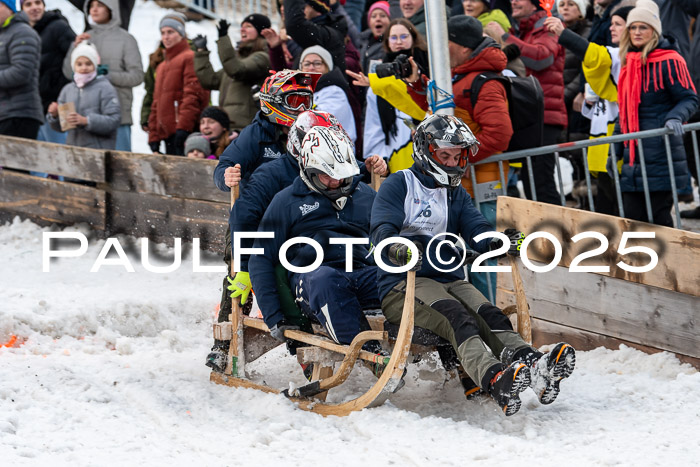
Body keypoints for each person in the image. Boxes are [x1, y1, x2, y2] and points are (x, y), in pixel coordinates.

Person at [370, 114, 576, 416]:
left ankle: (534, 364)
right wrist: (402, 248)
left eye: (457, 156)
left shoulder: (456, 193)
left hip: (447, 277)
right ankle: (494, 378)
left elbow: (476, 228)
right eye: (445, 155)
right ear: (426, 151)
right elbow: (381, 234)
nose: (452, 163)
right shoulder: (399, 184)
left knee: (487, 311)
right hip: (403, 284)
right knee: (457, 316)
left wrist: (497, 241)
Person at [206, 110, 388, 371]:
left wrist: (373, 168)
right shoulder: (271, 175)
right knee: (244, 281)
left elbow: (351, 172)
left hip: (338, 253)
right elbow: (244, 218)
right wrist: (244, 266)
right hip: (277, 245)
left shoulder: (336, 173)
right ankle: (223, 347)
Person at [403, 16, 512, 302]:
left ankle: (487, 313)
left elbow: (499, 134)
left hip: (484, 183)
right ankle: (474, 309)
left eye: (445, 40)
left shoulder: (484, 82)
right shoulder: (459, 75)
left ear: (461, 45)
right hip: (462, 182)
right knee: (464, 249)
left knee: (483, 249)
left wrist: (457, 158)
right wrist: (417, 85)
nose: (439, 47)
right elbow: (443, 115)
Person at [248, 125, 383, 354]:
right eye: (325, 176)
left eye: (340, 176)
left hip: (360, 273)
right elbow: (260, 257)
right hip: (313, 280)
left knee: (406, 273)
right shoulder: (286, 201)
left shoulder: (365, 195)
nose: (334, 182)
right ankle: (371, 353)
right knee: (326, 278)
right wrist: (274, 316)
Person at [545, 4, 634, 215]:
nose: (611, 28)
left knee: (622, 209)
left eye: (618, 24)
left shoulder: (624, 56)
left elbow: (591, 53)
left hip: (617, 148)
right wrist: (589, 103)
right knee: (608, 208)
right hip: (601, 144)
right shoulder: (615, 53)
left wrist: (563, 33)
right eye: (611, 24)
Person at [615, 0, 698, 226]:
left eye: (643, 27)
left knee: (659, 221)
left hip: (662, 154)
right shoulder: (627, 65)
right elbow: (624, 113)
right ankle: (639, 262)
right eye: (633, 27)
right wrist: (613, 152)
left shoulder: (670, 60)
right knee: (632, 220)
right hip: (633, 159)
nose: (637, 32)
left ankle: (666, 262)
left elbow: (690, 98)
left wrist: (675, 116)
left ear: (654, 31)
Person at [485, 0, 567, 205]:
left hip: (547, 114)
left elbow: (542, 58)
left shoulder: (547, 26)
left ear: (534, 4)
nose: (513, 1)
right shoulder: (524, 30)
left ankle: (559, 233)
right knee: (531, 183)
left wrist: (504, 37)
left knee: (541, 184)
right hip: (529, 115)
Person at [346, 18, 429, 172]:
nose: (399, 41)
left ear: (413, 38)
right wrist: (380, 162)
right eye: (394, 37)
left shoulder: (429, 70)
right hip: (397, 157)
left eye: (404, 36)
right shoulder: (377, 83)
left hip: (429, 153)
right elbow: (374, 127)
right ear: (387, 42)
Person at [63, 0, 142, 152]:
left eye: (99, 5)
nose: (94, 10)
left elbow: (137, 76)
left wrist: (105, 76)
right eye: (91, 6)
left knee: (121, 168)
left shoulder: (127, 39)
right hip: (85, 119)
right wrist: (74, 48)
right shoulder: (86, 38)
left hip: (119, 116)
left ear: (111, 8)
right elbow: (69, 73)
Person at [192, 14, 271, 131]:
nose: (242, 29)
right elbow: (210, 80)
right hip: (227, 126)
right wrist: (201, 52)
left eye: (248, 26)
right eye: (242, 26)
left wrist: (223, 38)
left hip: (246, 127)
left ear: (261, 32)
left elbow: (237, 70)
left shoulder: (262, 57)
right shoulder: (237, 60)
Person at [148, 13, 209, 156]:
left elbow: (193, 95)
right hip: (167, 134)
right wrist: (154, 136)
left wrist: (183, 128)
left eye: (171, 32)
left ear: (181, 34)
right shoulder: (162, 65)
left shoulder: (189, 57)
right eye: (163, 33)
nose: (166, 37)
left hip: (184, 133)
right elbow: (156, 102)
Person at [47, 41, 120, 150]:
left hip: (99, 151)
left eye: (88, 63)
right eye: (79, 64)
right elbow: (61, 127)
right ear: (73, 66)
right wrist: (55, 115)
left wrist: (86, 121)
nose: (84, 68)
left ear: (95, 65)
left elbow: (114, 120)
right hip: (73, 151)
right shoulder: (67, 90)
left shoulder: (105, 88)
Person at [21, 0, 75, 146]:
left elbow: (75, 60)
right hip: (36, 105)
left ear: (44, 6)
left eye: (38, 2)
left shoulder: (59, 27)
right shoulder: (23, 33)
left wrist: (64, 98)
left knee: (63, 153)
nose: (34, 7)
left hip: (60, 104)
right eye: (28, 4)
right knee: (40, 155)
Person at [0, 0, 43, 140]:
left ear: (10, 8)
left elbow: (21, 72)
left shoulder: (22, 32)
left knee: (13, 162)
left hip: (19, 115)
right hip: (5, 114)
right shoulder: (4, 34)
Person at [299, 45, 357, 142]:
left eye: (317, 63)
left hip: (334, 150)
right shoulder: (300, 91)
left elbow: (321, 120)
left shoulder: (335, 91)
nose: (311, 68)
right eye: (307, 64)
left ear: (327, 67)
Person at [284, 0, 348, 71]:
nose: (300, 9)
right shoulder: (319, 32)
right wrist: (276, 48)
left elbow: (295, 25)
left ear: (318, 10)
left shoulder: (330, 34)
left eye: (303, 5)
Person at [359, 1, 391, 73]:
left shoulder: (393, 44)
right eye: (373, 16)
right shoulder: (362, 40)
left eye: (383, 16)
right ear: (369, 22)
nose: (378, 19)